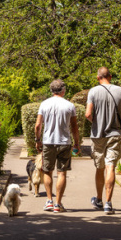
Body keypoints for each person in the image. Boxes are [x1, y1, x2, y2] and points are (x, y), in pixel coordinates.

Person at [85, 67, 121, 214]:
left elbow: (87, 114)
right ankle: (108, 203)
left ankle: (99, 199)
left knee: (99, 167)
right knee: (110, 166)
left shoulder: (93, 91)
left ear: (98, 78)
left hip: (98, 135)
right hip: (115, 133)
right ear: (110, 76)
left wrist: (95, 122)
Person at [34, 78, 81, 213]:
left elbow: (38, 125)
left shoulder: (44, 104)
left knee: (47, 171)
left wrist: (37, 140)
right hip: (64, 142)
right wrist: (77, 143)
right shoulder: (69, 105)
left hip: (48, 142)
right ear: (63, 90)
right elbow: (74, 127)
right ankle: (58, 204)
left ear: (51, 90)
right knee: (61, 173)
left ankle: (49, 201)